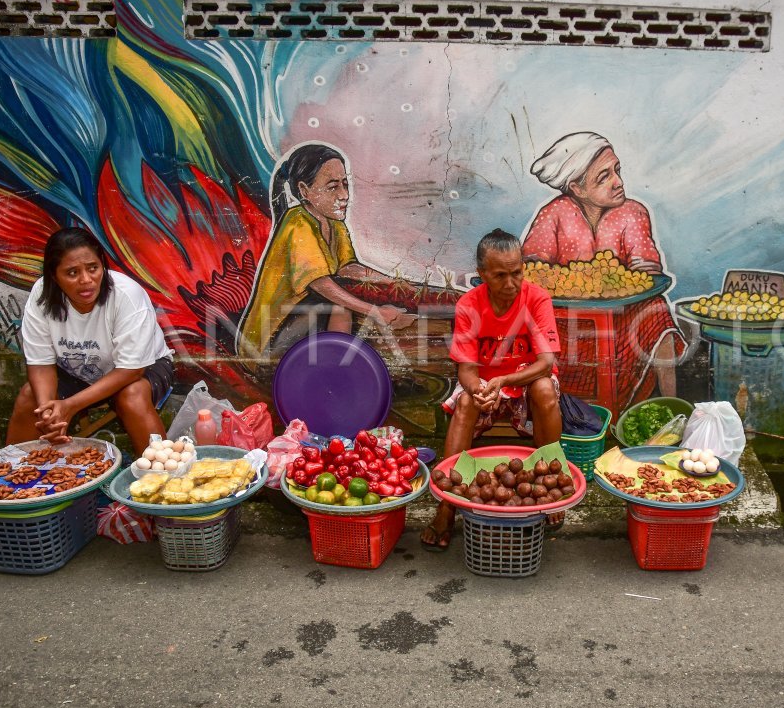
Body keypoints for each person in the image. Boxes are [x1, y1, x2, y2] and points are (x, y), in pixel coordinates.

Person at [420, 229, 563, 551]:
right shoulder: (469, 304)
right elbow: (467, 371)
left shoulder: (536, 298)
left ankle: (550, 484)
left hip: (524, 382)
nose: (510, 283)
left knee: (544, 388)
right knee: (468, 402)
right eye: (500, 276)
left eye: (516, 273)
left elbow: (545, 362)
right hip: (487, 385)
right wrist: (481, 389)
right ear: (482, 273)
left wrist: (506, 381)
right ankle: (447, 505)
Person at [522, 131, 686, 405]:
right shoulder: (553, 214)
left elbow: (646, 273)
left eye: (617, 170)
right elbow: (533, 270)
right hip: (564, 323)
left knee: (658, 312)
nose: (618, 182)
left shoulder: (633, 212)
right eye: (604, 177)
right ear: (577, 187)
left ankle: (673, 406)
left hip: (623, 320)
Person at [238, 142, 416, 359]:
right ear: (304, 191)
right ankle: (332, 371)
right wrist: (375, 312)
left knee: (350, 294)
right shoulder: (298, 223)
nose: (344, 195)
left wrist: (392, 282)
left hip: (302, 325)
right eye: (333, 187)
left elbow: (348, 268)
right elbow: (320, 283)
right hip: (267, 344)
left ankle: (334, 364)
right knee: (340, 303)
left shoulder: (334, 223)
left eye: (345, 184)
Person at [7, 227, 174, 454]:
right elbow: (40, 363)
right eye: (72, 273)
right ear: (54, 276)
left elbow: (131, 370)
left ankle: (164, 474)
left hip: (141, 368)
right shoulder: (41, 296)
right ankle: (11, 473)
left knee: (132, 397)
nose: (86, 280)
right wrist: (50, 413)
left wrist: (69, 406)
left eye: (93, 268)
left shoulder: (126, 295)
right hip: (78, 371)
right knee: (30, 398)